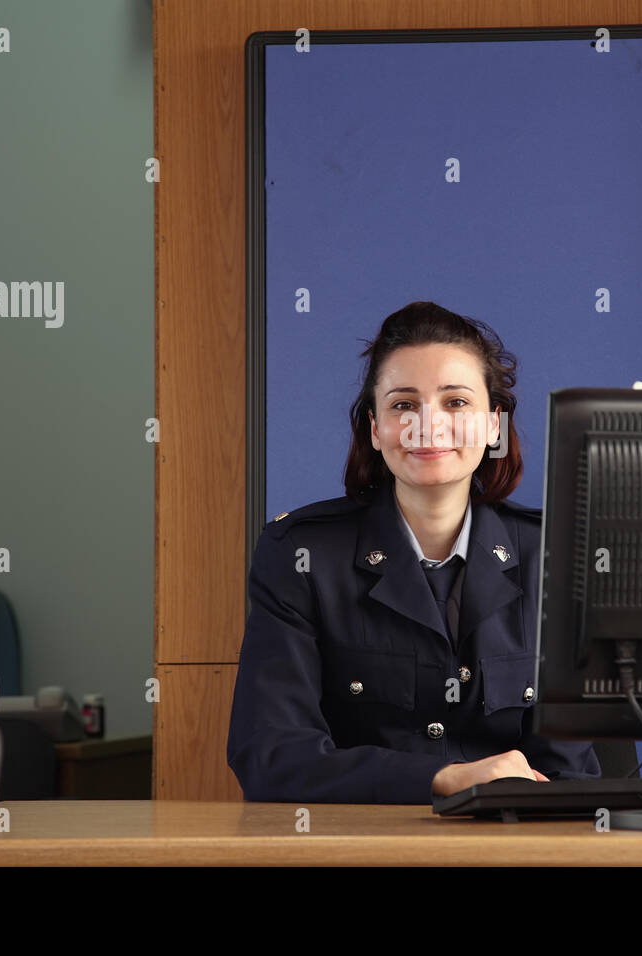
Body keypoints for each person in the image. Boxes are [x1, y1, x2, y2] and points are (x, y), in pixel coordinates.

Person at [227, 301, 600, 803]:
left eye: (456, 402)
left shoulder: (550, 554)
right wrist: (442, 779)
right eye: (404, 405)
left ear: (494, 426)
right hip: (353, 848)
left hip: (513, 841)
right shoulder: (302, 553)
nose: (429, 425)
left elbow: (569, 776)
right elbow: (271, 757)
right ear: (374, 429)